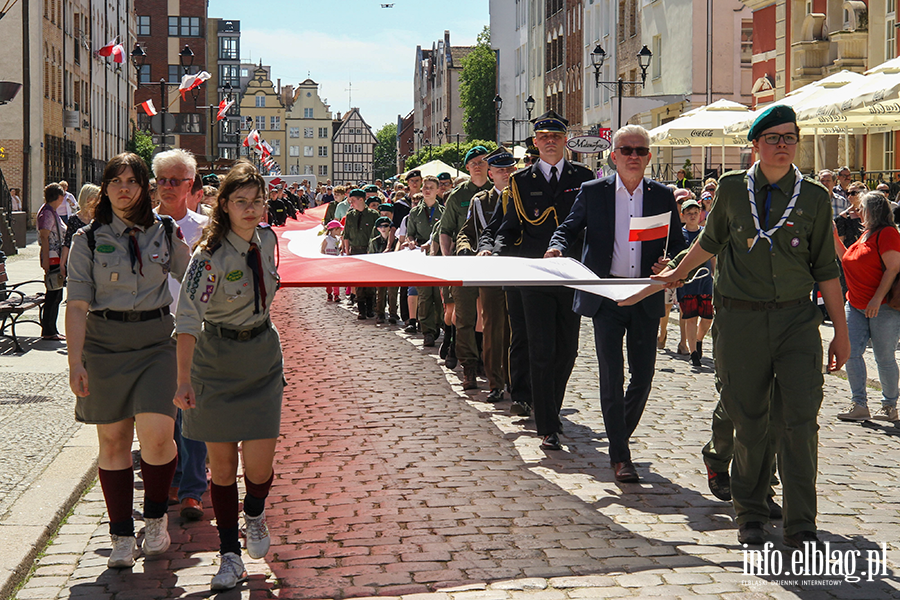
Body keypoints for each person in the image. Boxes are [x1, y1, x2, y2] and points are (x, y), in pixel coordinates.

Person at [652, 105, 849, 548]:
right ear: (755, 144)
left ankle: (802, 523)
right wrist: (676, 274)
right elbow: (709, 241)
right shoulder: (730, 189)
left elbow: (827, 270)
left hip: (798, 320)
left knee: (799, 421)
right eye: (774, 137)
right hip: (739, 322)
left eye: (790, 137)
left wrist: (841, 330)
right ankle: (751, 512)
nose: (783, 145)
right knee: (750, 421)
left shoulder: (814, 196)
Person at [65, 152, 191, 568]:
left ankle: (154, 520)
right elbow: (78, 306)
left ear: (144, 188)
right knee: (114, 441)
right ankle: (121, 534)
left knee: (158, 437)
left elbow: (192, 281)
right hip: (104, 344)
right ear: (106, 188)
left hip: (157, 342)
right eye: (116, 181)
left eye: (132, 181)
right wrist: (75, 362)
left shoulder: (166, 231)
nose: (124, 189)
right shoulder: (86, 238)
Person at [546, 123, 685, 476]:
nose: (634, 156)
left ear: (649, 157)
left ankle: (617, 435)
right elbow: (569, 226)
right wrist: (557, 246)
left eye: (640, 150)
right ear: (613, 156)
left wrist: (670, 262)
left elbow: (681, 243)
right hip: (606, 293)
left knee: (643, 375)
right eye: (627, 150)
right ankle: (621, 457)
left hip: (645, 292)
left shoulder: (661, 194)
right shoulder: (594, 191)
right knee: (612, 375)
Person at [174, 162, 283, 591]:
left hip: (261, 357)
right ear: (225, 205)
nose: (251, 209)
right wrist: (183, 380)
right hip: (215, 361)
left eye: (258, 200)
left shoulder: (269, 240)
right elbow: (186, 320)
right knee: (222, 467)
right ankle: (229, 555)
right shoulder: (208, 257)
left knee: (259, 465)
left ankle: (253, 513)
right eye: (241, 201)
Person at [494, 109, 595, 452]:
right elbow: (508, 230)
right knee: (540, 348)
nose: (550, 142)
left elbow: (593, 228)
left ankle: (549, 404)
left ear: (565, 140)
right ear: (536, 143)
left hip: (570, 275)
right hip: (533, 275)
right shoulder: (520, 182)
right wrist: (498, 258)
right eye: (544, 138)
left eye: (556, 137)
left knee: (567, 350)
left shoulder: (585, 177)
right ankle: (548, 424)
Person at [834, 191, 900, 423]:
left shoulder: (887, 233)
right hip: (855, 303)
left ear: (872, 210)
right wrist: (834, 237)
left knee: (884, 357)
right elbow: (846, 260)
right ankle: (859, 403)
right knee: (851, 353)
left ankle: (890, 406)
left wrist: (876, 298)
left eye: (860, 207)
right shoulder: (865, 235)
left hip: (882, 306)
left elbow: (893, 268)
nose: (857, 211)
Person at [457, 147, 517, 401]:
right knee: (493, 328)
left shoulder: (521, 197)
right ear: (491, 174)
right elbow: (466, 232)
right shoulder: (480, 201)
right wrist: (464, 249)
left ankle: (517, 381)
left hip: (518, 272)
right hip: (491, 272)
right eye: (500, 170)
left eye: (509, 169)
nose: (505, 174)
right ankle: (495, 382)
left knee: (517, 329)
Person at [441, 146, 494, 386]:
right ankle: (469, 367)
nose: (478, 165)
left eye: (482, 161)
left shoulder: (498, 192)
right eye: (473, 162)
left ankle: (487, 361)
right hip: (463, 264)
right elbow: (445, 231)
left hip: (492, 265)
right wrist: (448, 261)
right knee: (464, 318)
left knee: (491, 317)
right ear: (467, 167)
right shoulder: (458, 196)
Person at [404, 176, 444, 346]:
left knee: (438, 295)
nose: (427, 190)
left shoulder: (444, 211)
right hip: (421, 257)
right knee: (424, 296)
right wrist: (411, 241)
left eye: (430, 187)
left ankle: (437, 325)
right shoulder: (414, 212)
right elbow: (410, 233)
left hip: (439, 257)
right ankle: (427, 330)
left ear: (437, 190)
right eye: (425, 187)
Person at [675, 200, 714, 367]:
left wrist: (714, 274)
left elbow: (712, 255)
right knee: (690, 317)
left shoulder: (706, 233)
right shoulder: (678, 235)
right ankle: (693, 353)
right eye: (689, 213)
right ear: (683, 215)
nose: (692, 216)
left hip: (705, 280)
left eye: (695, 213)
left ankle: (698, 340)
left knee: (707, 318)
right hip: (687, 281)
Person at [342, 189, 380, 319]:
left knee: (370, 282)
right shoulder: (350, 215)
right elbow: (346, 235)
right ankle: (361, 310)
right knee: (358, 283)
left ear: (361, 200)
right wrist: (347, 252)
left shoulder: (373, 215)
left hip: (369, 251)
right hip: (355, 250)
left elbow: (377, 234)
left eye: (353, 200)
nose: (351, 203)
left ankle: (371, 308)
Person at [38, 183, 68, 341]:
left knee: (56, 294)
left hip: (56, 256)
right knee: (53, 294)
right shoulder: (47, 212)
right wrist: (46, 259)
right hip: (52, 257)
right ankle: (49, 330)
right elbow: (44, 236)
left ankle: (52, 328)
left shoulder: (51, 211)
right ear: (59, 196)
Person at [369, 216, 399, 324]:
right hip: (380, 271)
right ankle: (380, 314)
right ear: (377, 229)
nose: (383, 228)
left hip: (392, 271)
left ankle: (393, 313)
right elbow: (371, 255)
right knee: (380, 294)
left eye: (386, 226)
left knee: (393, 293)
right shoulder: (374, 241)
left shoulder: (396, 241)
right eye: (381, 226)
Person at [321, 219, 343, 302]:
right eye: (339, 229)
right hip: (328, 262)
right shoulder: (327, 239)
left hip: (336, 261)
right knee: (329, 279)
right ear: (335, 230)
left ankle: (336, 294)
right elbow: (322, 249)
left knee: (336, 279)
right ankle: (329, 293)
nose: (341, 230)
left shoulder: (337, 239)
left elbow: (338, 248)